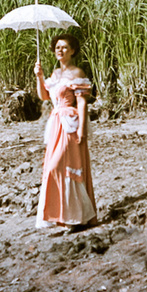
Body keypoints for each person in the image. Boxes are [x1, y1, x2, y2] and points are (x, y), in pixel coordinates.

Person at [34, 31, 97, 229]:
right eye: (57, 47)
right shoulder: (55, 74)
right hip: (55, 124)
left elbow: (82, 102)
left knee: (62, 167)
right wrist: (39, 77)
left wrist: (82, 130)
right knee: (53, 168)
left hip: (70, 124)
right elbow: (45, 96)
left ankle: (75, 217)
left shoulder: (77, 73)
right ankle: (64, 217)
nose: (60, 50)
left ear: (72, 51)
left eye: (64, 47)